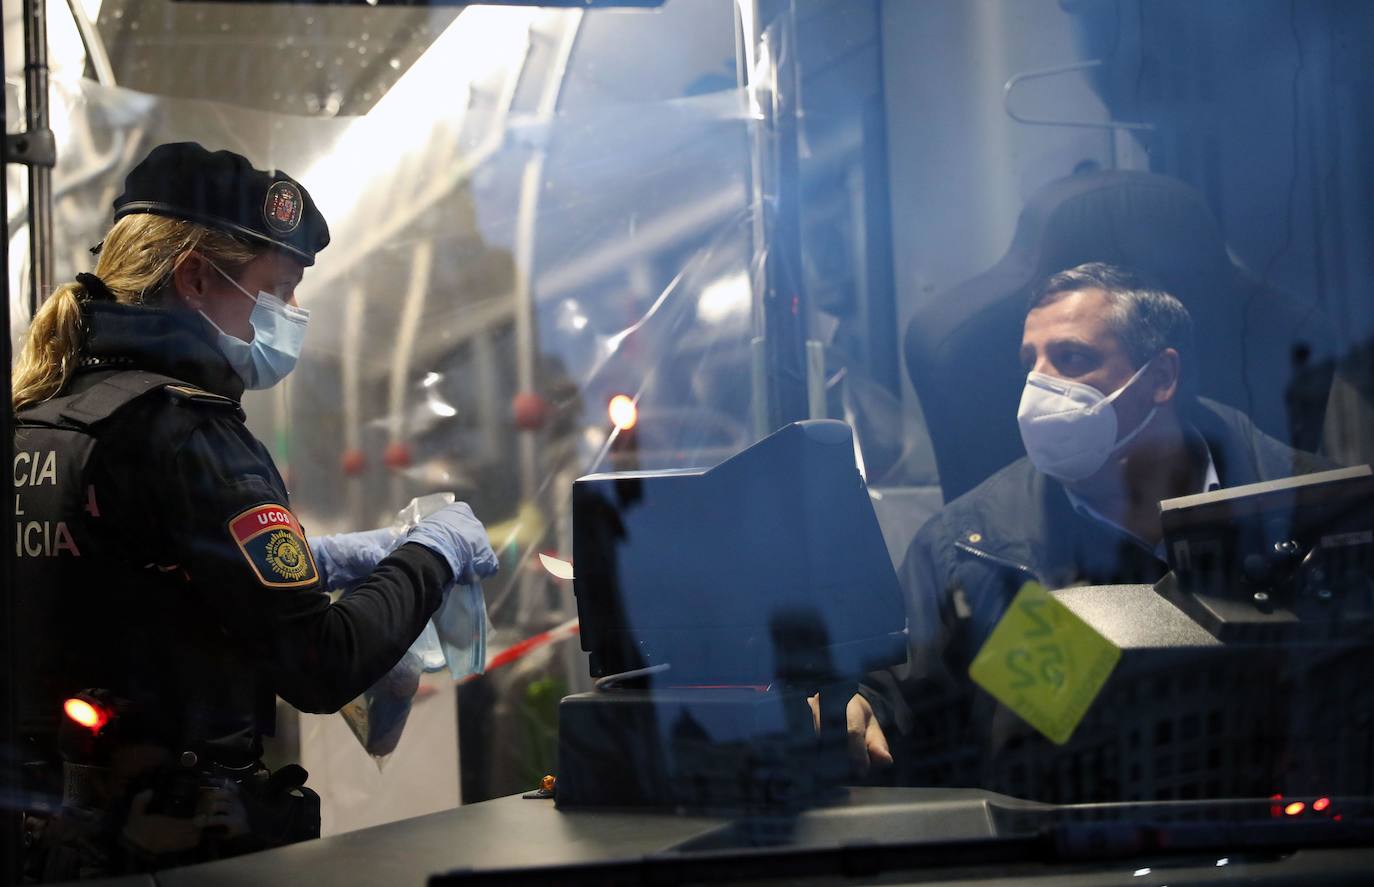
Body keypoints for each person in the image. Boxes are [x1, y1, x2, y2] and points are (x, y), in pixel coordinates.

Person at [10, 142, 498, 878]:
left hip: (46, 838)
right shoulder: (190, 437)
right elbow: (321, 662)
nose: (293, 313)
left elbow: (134, 585)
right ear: (198, 279)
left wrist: (323, 557)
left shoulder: (41, 416)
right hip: (171, 845)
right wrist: (434, 549)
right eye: (279, 289)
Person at [836, 262, 1326, 782]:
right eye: (1031, 362)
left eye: (1071, 358)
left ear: (1160, 378)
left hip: (1288, 839)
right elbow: (895, 699)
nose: (1039, 386)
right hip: (1064, 847)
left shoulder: (1312, 510)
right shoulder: (969, 546)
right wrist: (859, 705)